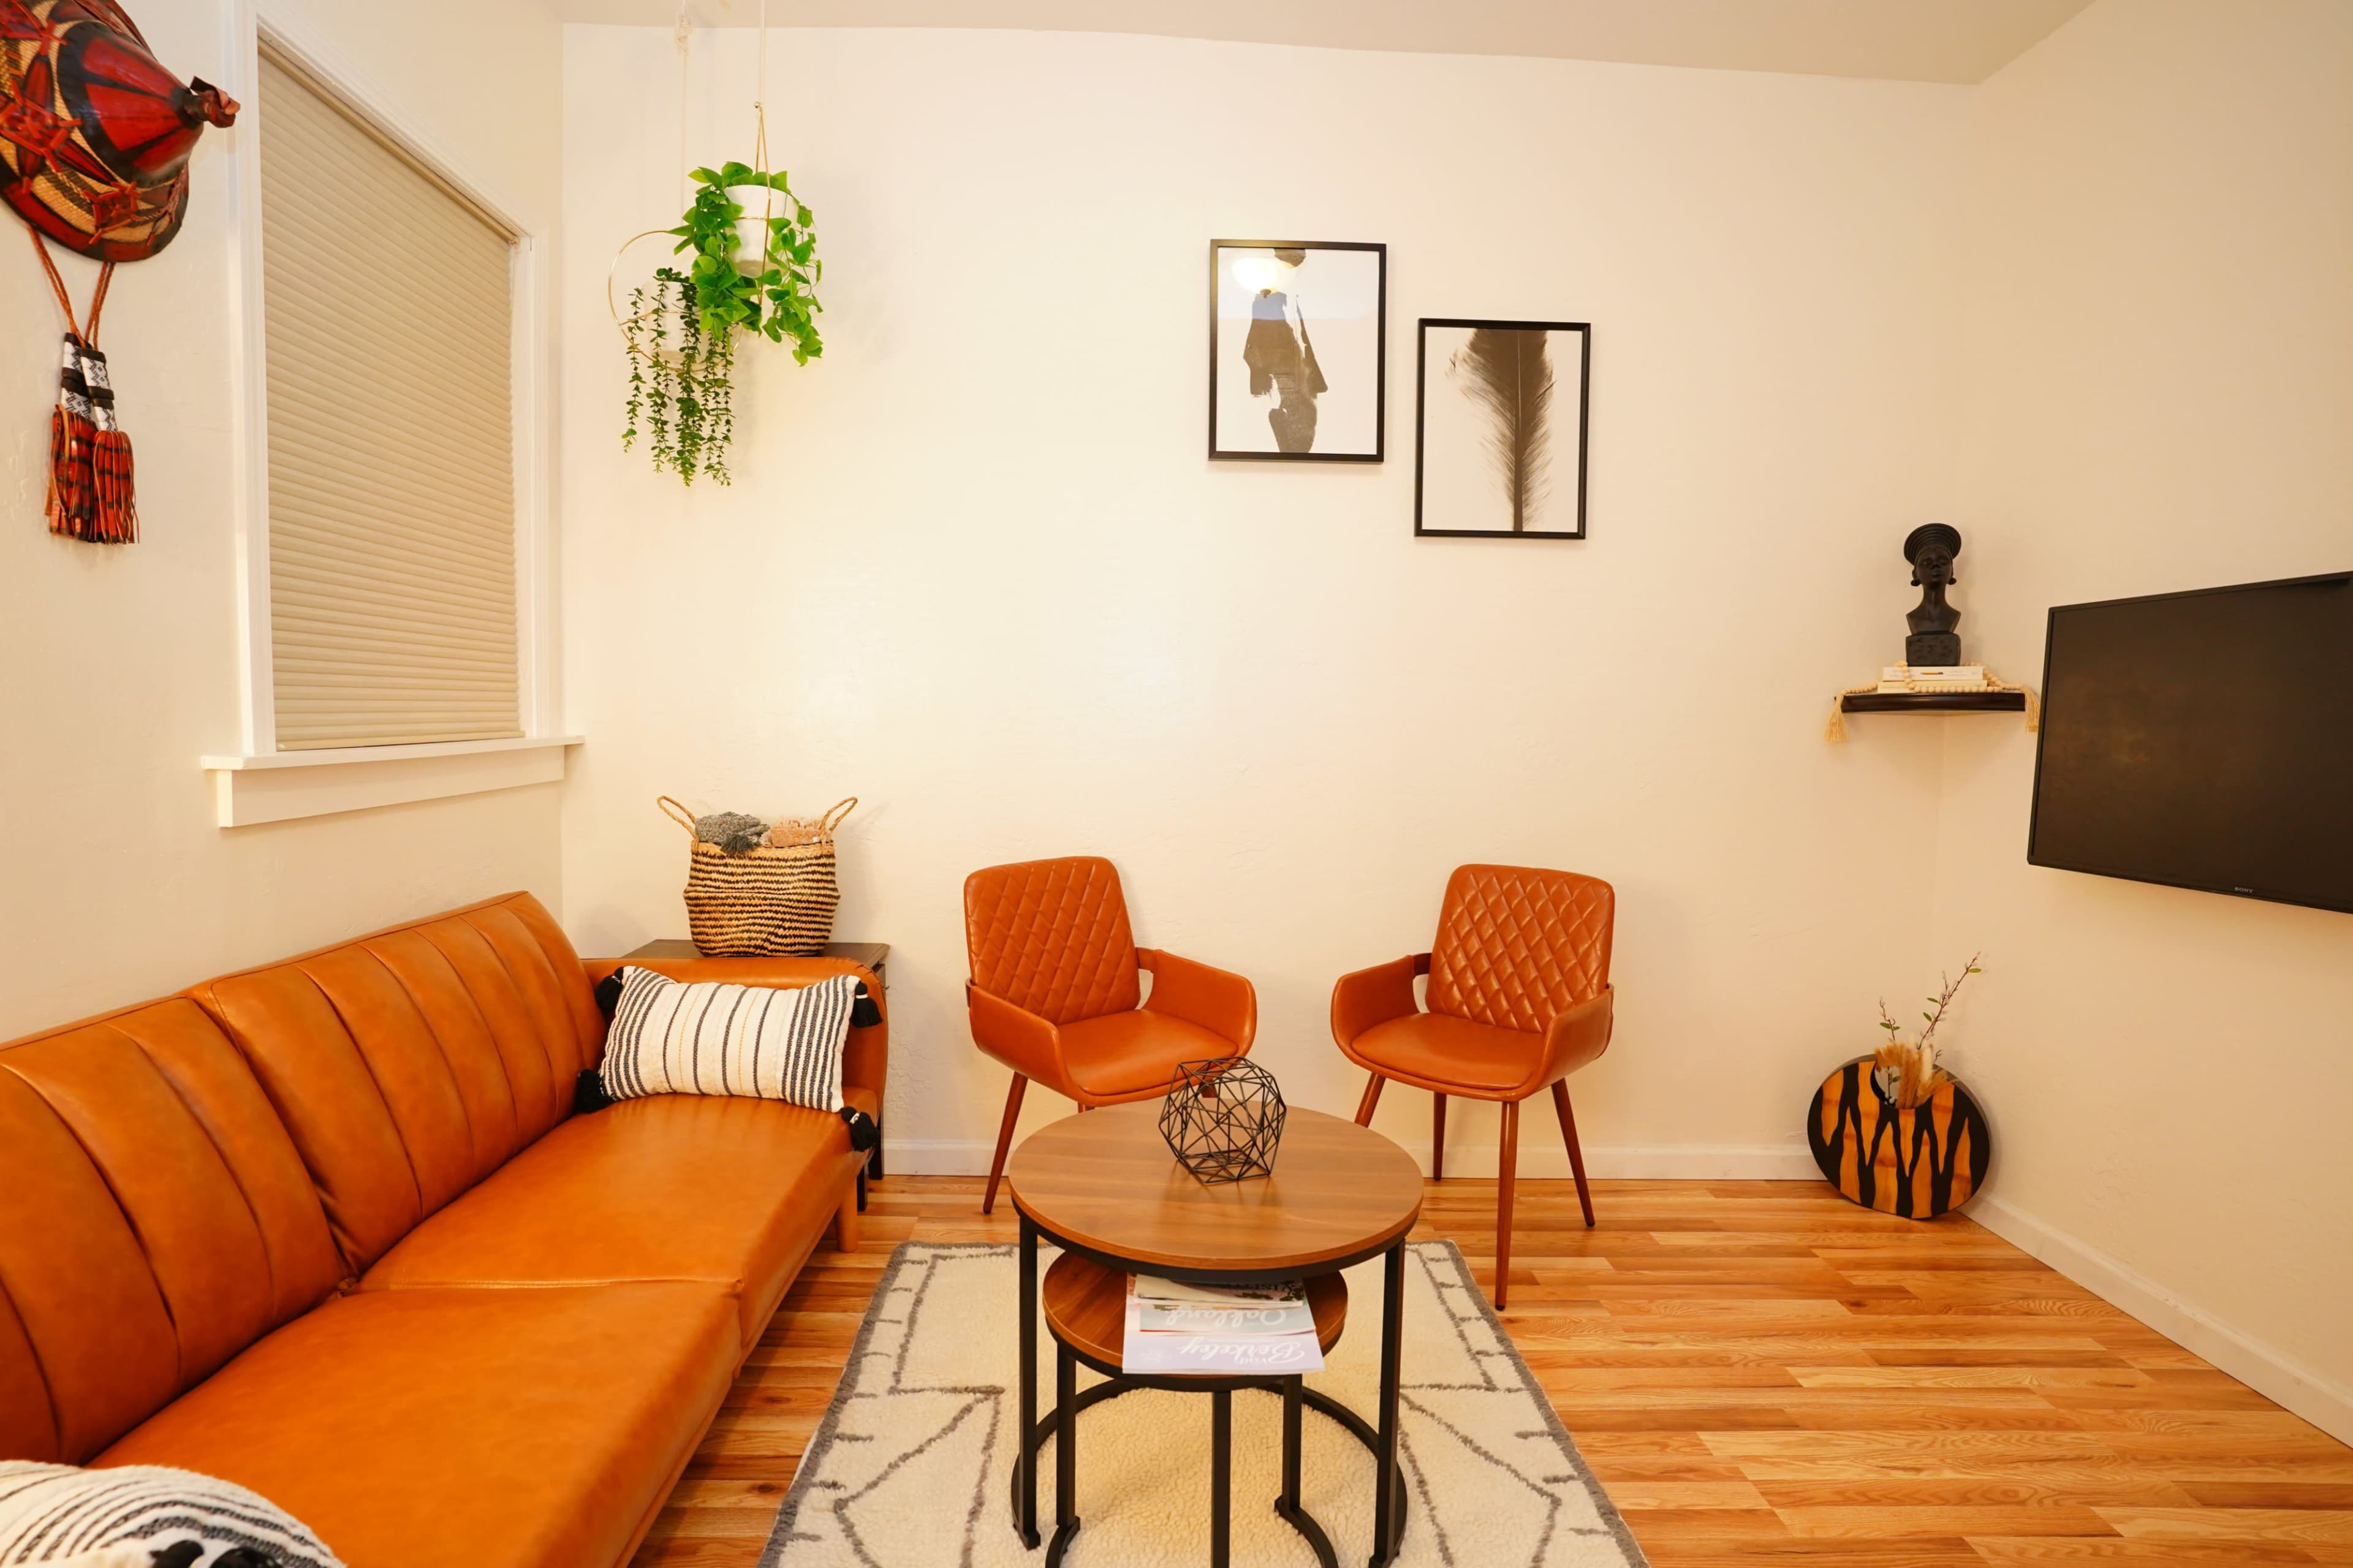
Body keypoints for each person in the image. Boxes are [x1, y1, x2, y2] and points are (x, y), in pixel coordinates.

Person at [1240, 248, 1327, 453]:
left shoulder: (1285, 296)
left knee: (1302, 412)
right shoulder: (1267, 297)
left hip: (1294, 370)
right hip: (1281, 372)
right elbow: (1256, 345)